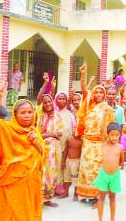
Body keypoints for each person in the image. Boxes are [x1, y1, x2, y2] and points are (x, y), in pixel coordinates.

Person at [0, 84, 46, 221]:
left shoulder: (34, 132)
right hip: (8, 184)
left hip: (28, 186)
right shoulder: (7, 128)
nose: (27, 116)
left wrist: (37, 143)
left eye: (30, 112)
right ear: (15, 115)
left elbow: (43, 156)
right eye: (22, 113)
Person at [76, 63, 114, 201]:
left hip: (100, 144)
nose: (98, 94)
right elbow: (84, 91)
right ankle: (89, 194)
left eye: (101, 92)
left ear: (104, 95)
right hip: (87, 144)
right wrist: (83, 75)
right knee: (87, 169)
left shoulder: (108, 109)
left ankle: (99, 196)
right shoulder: (89, 106)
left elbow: (111, 129)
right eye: (96, 92)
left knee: (98, 170)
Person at [36, 74, 65, 207]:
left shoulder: (57, 116)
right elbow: (38, 135)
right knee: (42, 173)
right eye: (45, 102)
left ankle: (47, 199)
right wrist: (50, 134)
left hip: (55, 151)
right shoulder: (40, 116)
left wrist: (48, 134)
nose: (47, 104)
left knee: (52, 173)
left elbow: (59, 135)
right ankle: (38, 198)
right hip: (42, 150)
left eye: (49, 102)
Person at [93, 120, 124, 221]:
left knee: (112, 199)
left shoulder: (120, 148)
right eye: (112, 135)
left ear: (120, 135)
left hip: (115, 176)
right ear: (107, 135)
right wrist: (104, 116)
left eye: (117, 135)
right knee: (101, 199)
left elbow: (121, 162)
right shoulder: (104, 144)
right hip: (104, 175)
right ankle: (100, 219)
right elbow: (102, 129)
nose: (114, 137)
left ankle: (112, 219)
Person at [53, 91, 76, 197]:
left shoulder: (70, 115)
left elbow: (73, 129)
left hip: (66, 145)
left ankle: (61, 187)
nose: (61, 100)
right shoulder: (53, 113)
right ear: (56, 100)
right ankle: (52, 187)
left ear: (67, 101)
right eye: (59, 98)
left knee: (64, 165)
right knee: (54, 165)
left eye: (64, 99)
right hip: (54, 145)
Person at [61, 133, 83, 201]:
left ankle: (75, 194)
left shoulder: (81, 141)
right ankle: (66, 192)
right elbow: (65, 151)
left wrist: (80, 164)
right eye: (74, 130)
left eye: (77, 131)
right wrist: (63, 161)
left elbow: (82, 153)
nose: (75, 133)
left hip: (76, 162)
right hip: (68, 161)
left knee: (75, 178)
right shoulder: (69, 139)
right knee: (66, 178)